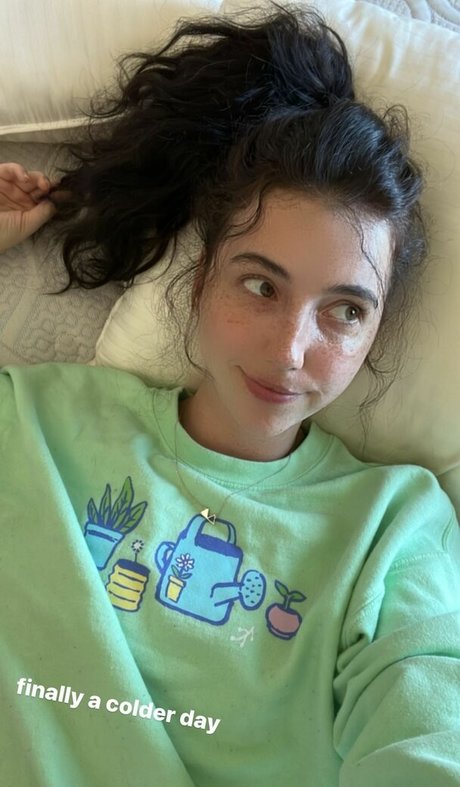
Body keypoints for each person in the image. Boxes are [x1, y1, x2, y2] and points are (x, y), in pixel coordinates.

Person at [1, 5, 459, 786]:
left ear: (376, 332)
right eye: (260, 285)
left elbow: (430, 729)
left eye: (345, 311)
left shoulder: (392, 527)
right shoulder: (36, 421)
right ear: (199, 279)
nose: (289, 351)